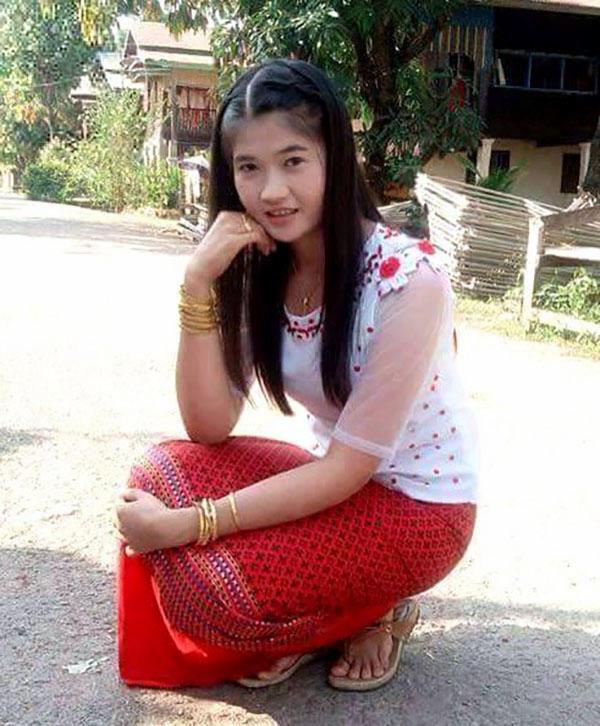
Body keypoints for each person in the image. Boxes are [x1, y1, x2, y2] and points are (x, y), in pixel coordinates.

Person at [115, 58, 478, 692]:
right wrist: (197, 283)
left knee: (208, 593)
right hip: (327, 484)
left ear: (334, 158)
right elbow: (208, 426)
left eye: (293, 161)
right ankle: (316, 620)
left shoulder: (407, 283)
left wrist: (192, 524)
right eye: (249, 168)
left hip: (418, 511)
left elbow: (347, 470)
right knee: (156, 474)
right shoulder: (262, 264)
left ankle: (374, 611)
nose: (271, 191)